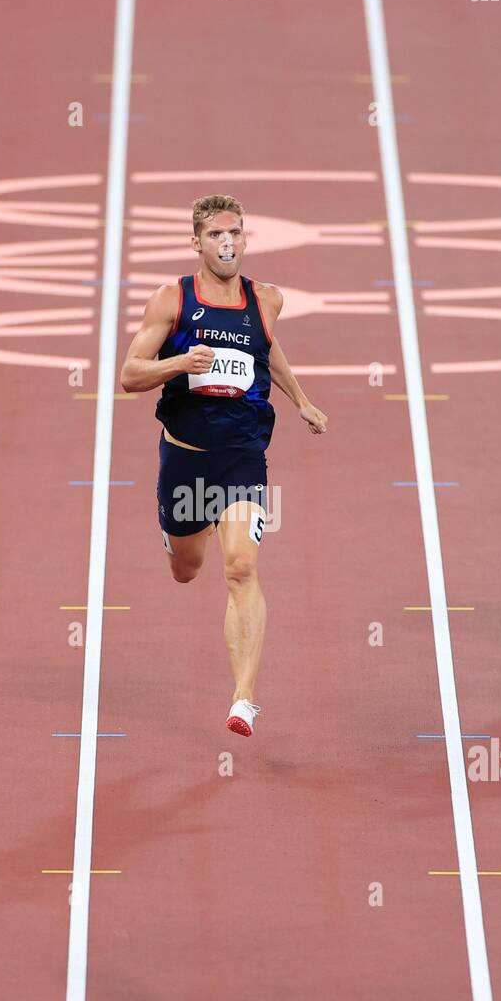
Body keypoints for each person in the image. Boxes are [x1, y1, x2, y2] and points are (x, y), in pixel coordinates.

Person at [120, 194, 327, 733]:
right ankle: (180, 537)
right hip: (185, 460)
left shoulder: (267, 300)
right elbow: (131, 374)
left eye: (234, 232)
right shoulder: (172, 299)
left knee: (241, 567)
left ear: (246, 237)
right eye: (215, 234)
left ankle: (243, 699)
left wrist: (301, 399)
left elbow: (267, 349)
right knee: (187, 569)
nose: (227, 242)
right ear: (196, 241)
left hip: (242, 458)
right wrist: (180, 362)